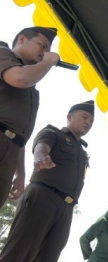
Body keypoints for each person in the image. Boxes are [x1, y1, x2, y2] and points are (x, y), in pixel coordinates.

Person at [0, 100, 94, 262]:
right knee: (17, 256)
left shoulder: (83, 151)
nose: (88, 122)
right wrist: (40, 158)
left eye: (91, 120)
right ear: (69, 117)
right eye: (84, 117)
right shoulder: (54, 133)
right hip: (42, 197)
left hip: (66, 208)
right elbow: (40, 147)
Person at [0, 26, 59, 208]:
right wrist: (49, 62)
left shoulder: (31, 87)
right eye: (42, 45)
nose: (45, 53)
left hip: (9, 152)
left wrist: (21, 173)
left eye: (48, 50)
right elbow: (19, 78)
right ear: (22, 39)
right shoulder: (3, 53)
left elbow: (18, 134)